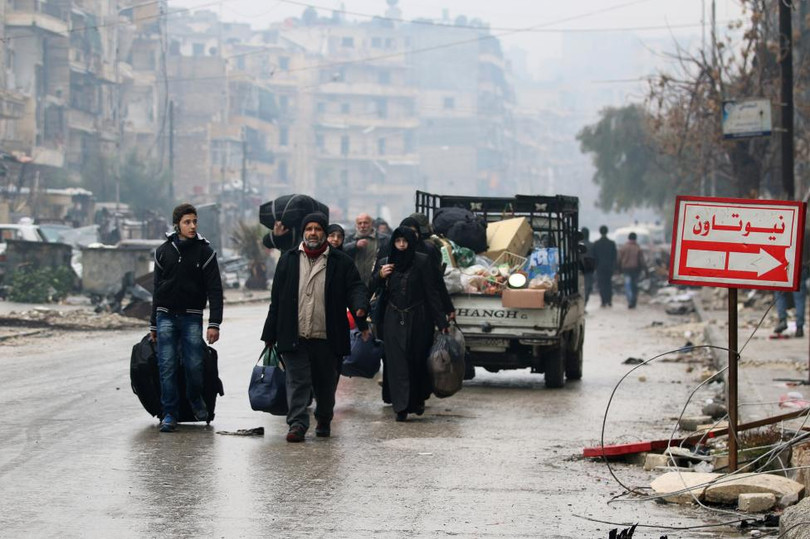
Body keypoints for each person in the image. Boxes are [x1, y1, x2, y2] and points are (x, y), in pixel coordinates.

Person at [261, 212, 371, 442]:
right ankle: (297, 424)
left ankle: (323, 418)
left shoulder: (340, 262)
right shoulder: (289, 260)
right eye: (309, 229)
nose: (313, 233)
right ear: (303, 232)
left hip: (327, 337)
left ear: (324, 233)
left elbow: (355, 288)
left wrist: (360, 310)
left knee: (325, 384)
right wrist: (270, 333)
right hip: (295, 335)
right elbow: (277, 300)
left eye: (318, 229)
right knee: (298, 381)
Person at [150, 203, 223, 433]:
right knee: (167, 366)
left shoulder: (205, 252)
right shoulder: (163, 252)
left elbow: (215, 290)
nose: (192, 226)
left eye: (194, 221)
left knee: (194, 365)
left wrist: (214, 323)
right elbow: (156, 289)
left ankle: (194, 397)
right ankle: (169, 414)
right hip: (165, 317)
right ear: (177, 225)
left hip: (192, 317)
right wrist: (153, 323)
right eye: (187, 222)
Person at [369, 227, 449, 422]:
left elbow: (432, 292)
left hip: (419, 318)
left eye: (405, 241)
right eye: (398, 242)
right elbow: (370, 288)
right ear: (393, 243)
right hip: (392, 318)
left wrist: (441, 320)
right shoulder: (385, 263)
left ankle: (416, 400)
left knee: (416, 360)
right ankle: (401, 407)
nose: (402, 245)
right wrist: (380, 275)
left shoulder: (422, 261)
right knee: (397, 363)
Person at [399, 215, 455, 321]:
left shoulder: (428, 250)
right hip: (396, 311)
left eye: (414, 232)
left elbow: (437, 281)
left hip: (422, 307)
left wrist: (447, 308)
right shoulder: (390, 251)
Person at [345, 212, 389, 286]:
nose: (363, 226)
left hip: (376, 282)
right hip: (354, 284)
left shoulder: (384, 239)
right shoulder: (349, 239)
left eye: (365, 223)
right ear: (356, 225)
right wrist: (355, 245)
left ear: (371, 224)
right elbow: (342, 251)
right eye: (360, 223)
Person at [618, 232, 646, 309]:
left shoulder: (623, 247)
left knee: (628, 285)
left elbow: (619, 259)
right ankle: (633, 300)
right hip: (636, 270)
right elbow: (642, 260)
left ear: (628, 238)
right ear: (635, 239)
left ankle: (630, 300)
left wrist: (618, 269)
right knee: (634, 286)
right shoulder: (638, 248)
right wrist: (645, 270)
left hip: (626, 269)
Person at [591, 225, 617, 307]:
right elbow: (614, 256)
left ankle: (603, 301)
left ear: (600, 232)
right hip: (609, 267)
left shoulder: (596, 244)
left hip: (600, 267)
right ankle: (609, 301)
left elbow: (594, 256)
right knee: (608, 284)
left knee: (601, 284)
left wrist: (595, 267)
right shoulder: (611, 243)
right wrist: (614, 267)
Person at [581, 227, 596, 306]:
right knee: (588, 287)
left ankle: (582, 304)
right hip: (589, 269)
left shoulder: (575, 245)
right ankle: (584, 303)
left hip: (578, 269)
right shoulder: (592, 245)